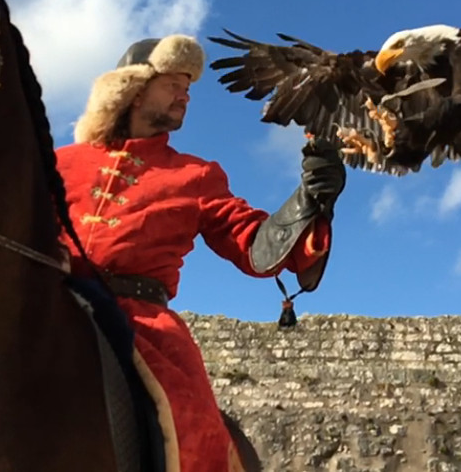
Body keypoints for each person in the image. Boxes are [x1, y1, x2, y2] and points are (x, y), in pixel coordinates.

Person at [55, 33, 345, 471]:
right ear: (133, 89)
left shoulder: (197, 174)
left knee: (196, 430)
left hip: (142, 324)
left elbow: (253, 245)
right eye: (174, 83)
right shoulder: (59, 162)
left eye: (188, 88)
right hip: (47, 303)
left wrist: (310, 200)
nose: (186, 95)